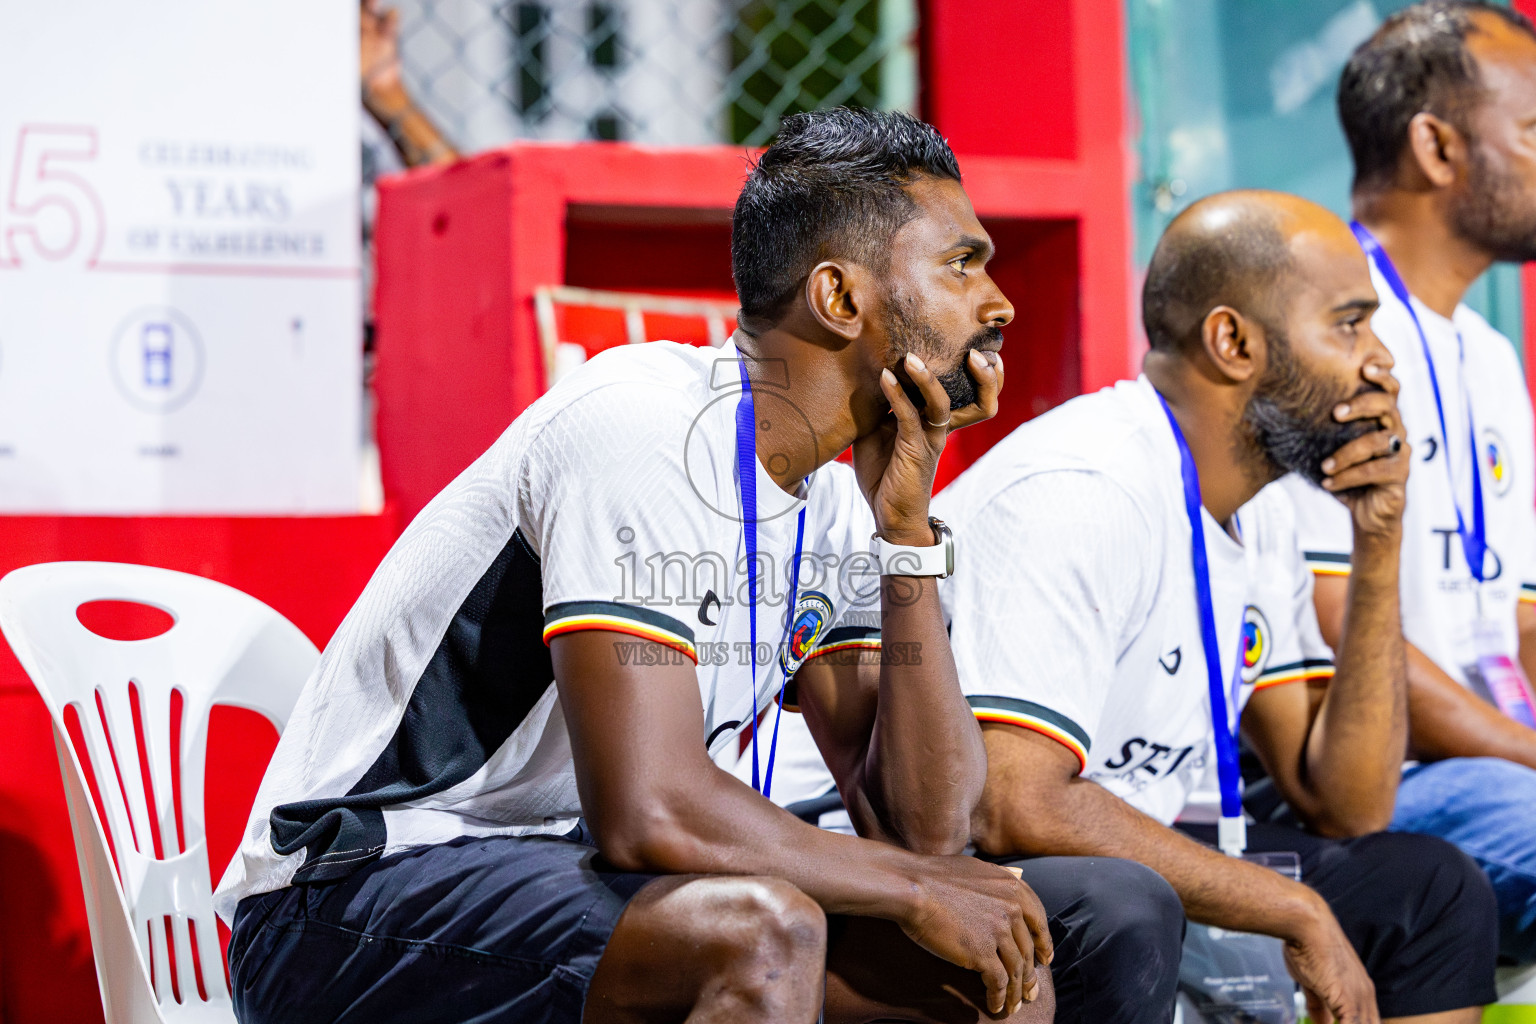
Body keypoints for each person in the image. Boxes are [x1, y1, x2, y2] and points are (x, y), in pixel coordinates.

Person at [214, 108, 1059, 1024]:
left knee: (987, 987)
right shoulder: (641, 429)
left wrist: (905, 539)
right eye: (963, 264)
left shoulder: (840, 494)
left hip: (556, 872)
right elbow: (650, 809)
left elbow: (925, 832)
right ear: (839, 298)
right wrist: (917, 889)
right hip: (346, 903)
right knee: (759, 933)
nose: (999, 301)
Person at [939, 191, 1499, 1024]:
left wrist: (1378, 543)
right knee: (1125, 907)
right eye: (1350, 325)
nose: (1383, 363)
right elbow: (1018, 802)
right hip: (958, 858)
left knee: (1429, 886)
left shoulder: (1260, 503)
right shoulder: (1084, 487)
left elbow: (1346, 805)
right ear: (1232, 342)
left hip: (1134, 842)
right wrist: (1290, 907)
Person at [1281, 0, 1536, 963]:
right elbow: (1334, 615)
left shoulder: (1489, 353)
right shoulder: (1323, 334)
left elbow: (1516, 619)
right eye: (1534, 130)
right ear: (1437, 146)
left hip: (1498, 761)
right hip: (1376, 772)